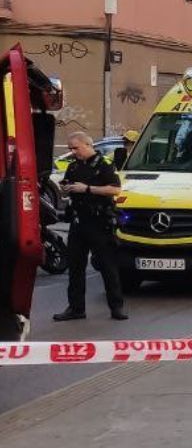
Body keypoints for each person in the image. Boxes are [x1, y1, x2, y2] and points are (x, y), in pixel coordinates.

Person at [53, 131, 126, 322]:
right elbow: (69, 187)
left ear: (87, 145)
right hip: (78, 222)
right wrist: (66, 188)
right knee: (75, 267)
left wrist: (86, 188)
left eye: (75, 148)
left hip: (99, 222)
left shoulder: (104, 165)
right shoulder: (73, 166)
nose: (72, 152)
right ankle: (76, 308)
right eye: (70, 149)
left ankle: (116, 307)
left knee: (107, 266)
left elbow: (115, 189)